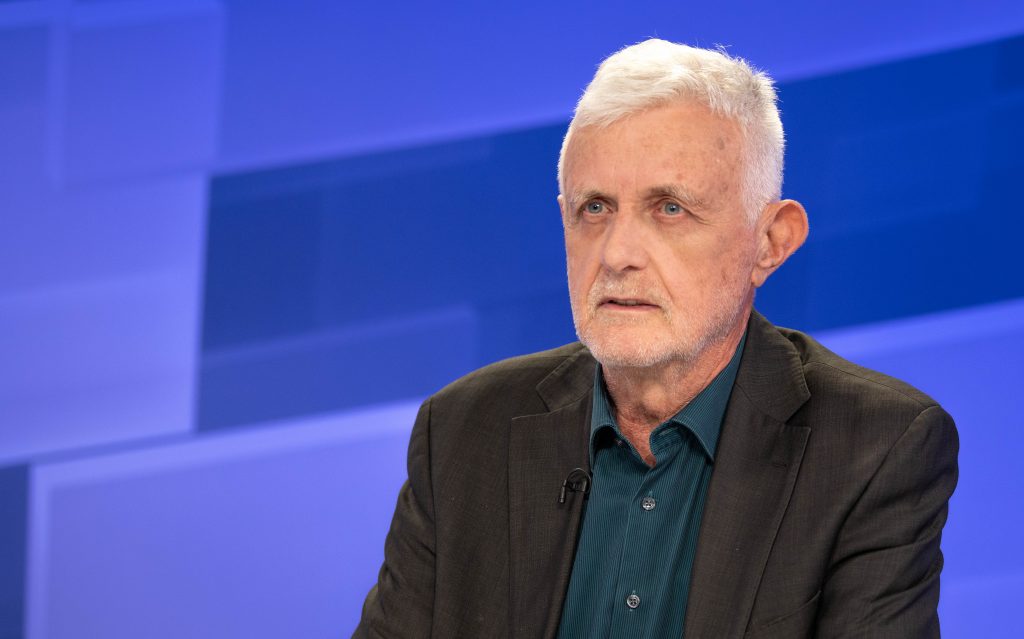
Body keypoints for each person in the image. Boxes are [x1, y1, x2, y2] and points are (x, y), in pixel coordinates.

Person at [354, 39, 958, 639]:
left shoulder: (873, 449)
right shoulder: (463, 430)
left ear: (770, 242)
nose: (617, 254)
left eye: (669, 208)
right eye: (595, 209)